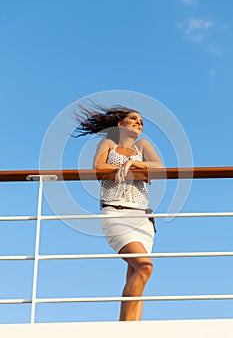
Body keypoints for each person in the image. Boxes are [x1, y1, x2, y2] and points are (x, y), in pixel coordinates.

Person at [74, 103, 163, 321]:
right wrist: (135, 170)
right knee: (144, 267)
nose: (138, 124)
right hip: (116, 212)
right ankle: (125, 328)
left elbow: (159, 167)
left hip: (142, 218)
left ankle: (131, 329)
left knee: (137, 274)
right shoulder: (109, 144)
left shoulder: (142, 145)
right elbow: (99, 169)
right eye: (133, 119)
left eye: (141, 122)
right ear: (120, 124)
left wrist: (133, 163)